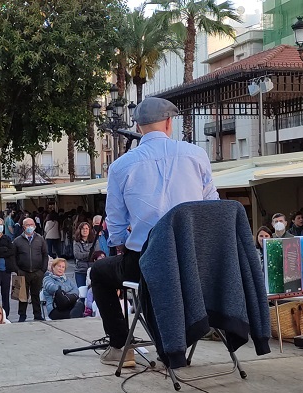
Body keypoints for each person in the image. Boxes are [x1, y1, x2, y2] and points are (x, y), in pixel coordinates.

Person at [90, 97, 218, 367]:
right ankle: (176, 344)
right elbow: (212, 206)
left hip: (147, 263)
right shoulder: (196, 154)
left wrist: (121, 246)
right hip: (194, 263)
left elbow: (115, 220)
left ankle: (120, 347)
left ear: (137, 125)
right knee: (156, 276)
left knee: (99, 273)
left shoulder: (121, 166)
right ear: (170, 122)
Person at [12, 217, 48, 322]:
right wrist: (17, 270)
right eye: (27, 225)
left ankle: (37, 314)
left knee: (35, 294)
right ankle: (22, 315)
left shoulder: (40, 239)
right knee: (21, 295)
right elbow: (12, 257)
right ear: (23, 227)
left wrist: (43, 270)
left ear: (35, 226)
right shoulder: (17, 241)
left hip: (37, 272)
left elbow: (45, 255)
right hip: (22, 271)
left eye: (31, 225)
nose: (29, 227)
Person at [73, 222, 98, 288]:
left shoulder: (95, 241)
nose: (85, 230)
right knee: (82, 292)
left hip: (92, 270)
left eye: (87, 228)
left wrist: (84, 256)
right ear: (80, 230)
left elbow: (97, 254)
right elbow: (77, 255)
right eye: (83, 229)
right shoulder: (76, 242)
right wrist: (90, 254)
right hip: (80, 270)